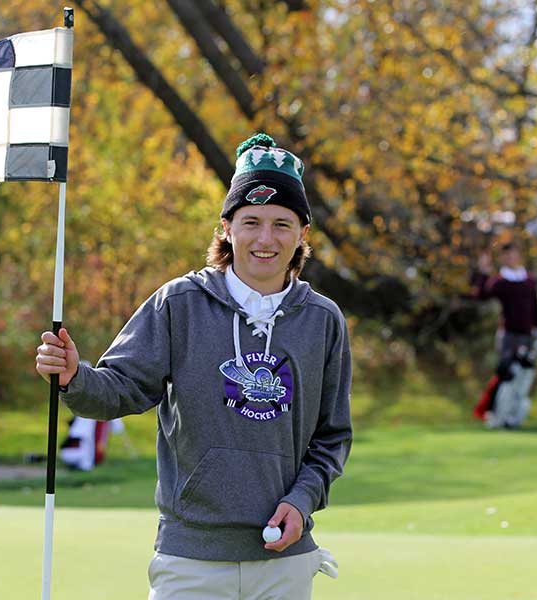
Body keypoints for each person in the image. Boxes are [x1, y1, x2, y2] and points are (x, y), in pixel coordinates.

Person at [36, 133, 351, 599]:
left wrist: (301, 502)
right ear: (226, 227)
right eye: (252, 222)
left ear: (303, 234)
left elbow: (331, 438)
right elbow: (120, 388)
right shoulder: (178, 304)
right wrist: (74, 377)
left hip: (286, 560)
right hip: (191, 560)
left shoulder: (323, 320)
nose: (266, 239)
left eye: (282, 224)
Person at [473, 240, 537, 429]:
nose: (510, 257)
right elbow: (482, 295)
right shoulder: (500, 281)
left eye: (513, 253)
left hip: (528, 336)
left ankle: (514, 418)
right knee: (507, 375)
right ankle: (497, 416)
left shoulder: (529, 281)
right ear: (502, 258)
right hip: (508, 336)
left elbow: (535, 309)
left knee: (524, 377)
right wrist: (483, 271)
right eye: (506, 255)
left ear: (518, 255)